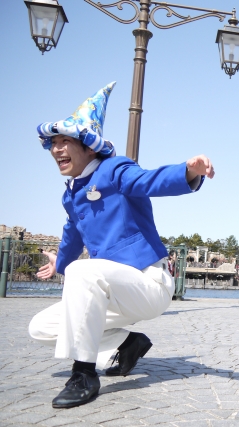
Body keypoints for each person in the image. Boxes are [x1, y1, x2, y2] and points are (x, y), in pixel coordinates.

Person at [28, 82, 214, 408]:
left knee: (82, 271)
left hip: (147, 282)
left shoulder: (114, 169)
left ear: (88, 147)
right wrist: (57, 262)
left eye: (65, 141)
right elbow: (71, 237)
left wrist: (187, 172)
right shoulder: (71, 194)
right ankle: (127, 343)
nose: (57, 149)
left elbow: (147, 181)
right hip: (111, 290)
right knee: (40, 327)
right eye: (53, 143)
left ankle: (84, 374)